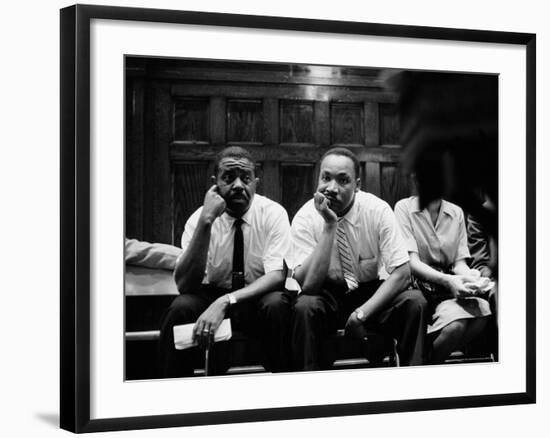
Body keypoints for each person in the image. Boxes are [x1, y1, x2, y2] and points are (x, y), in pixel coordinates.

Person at [288, 147, 428, 371]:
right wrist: (329, 226)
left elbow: (402, 273)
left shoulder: (377, 210)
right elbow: (309, 286)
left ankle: (413, 385)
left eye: (343, 180)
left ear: (358, 185)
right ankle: (308, 394)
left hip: (369, 294)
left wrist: (361, 314)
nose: (331, 188)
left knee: (415, 302)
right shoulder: (305, 217)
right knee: (304, 307)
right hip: (327, 296)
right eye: (326, 178)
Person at [158, 146, 292, 377]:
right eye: (229, 178)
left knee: (277, 305)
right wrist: (206, 222)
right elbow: (185, 285)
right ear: (215, 182)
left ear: (255, 182)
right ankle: (174, 395)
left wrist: (226, 301)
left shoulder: (273, 214)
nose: (238, 185)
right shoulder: (198, 220)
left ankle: (284, 388)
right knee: (180, 309)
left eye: (245, 178)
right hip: (213, 294)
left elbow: (277, 275)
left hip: (255, 296)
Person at [394, 195, 492, 364]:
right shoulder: (404, 208)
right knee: (456, 326)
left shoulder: (456, 212)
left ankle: (427, 363)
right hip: (416, 288)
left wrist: (471, 277)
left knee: (483, 310)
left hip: (446, 289)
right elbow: (412, 263)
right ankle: (424, 369)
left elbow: (459, 264)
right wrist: (448, 280)